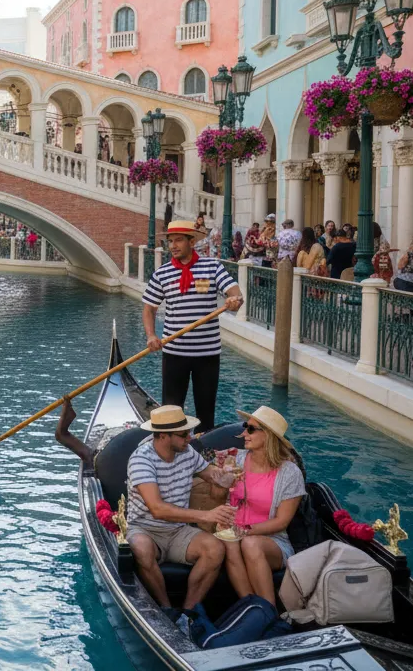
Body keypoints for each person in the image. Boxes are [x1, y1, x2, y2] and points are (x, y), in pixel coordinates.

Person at [124, 405, 236, 624]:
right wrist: (206, 516)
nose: (190, 438)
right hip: (145, 528)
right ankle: (166, 608)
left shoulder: (187, 452)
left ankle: (187, 613)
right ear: (163, 436)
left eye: (189, 432)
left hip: (177, 531)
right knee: (141, 548)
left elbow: (210, 474)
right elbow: (157, 509)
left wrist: (224, 475)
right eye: (184, 434)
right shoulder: (141, 460)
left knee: (215, 549)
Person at [142, 220, 244, 432]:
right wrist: (151, 335)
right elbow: (149, 309)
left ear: (191, 241)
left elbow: (235, 292)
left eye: (178, 240)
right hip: (174, 353)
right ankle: (173, 448)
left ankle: (203, 448)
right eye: (170, 241)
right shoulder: (162, 273)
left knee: (205, 412)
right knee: (171, 411)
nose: (173, 246)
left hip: (207, 354)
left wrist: (234, 299)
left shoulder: (212, 267)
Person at [220, 406, 306, 607]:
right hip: (231, 533)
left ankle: (269, 608)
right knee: (230, 542)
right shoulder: (236, 459)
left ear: (268, 436)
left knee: (250, 544)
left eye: (250, 429)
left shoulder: (289, 473)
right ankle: (253, 608)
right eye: (245, 427)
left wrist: (245, 531)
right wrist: (221, 479)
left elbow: (281, 522)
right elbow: (217, 497)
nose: (244, 433)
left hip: (271, 540)